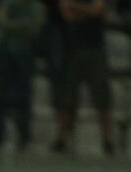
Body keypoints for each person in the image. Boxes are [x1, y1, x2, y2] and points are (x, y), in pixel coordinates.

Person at [52, 0, 113, 154]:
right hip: (72, 51)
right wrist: (87, 11)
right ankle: (62, 138)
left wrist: (77, 8)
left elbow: (97, 10)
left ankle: (107, 140)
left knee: (102, 98)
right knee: (67, 98)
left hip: (95, 50)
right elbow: (67, 15)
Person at [0, 0, 45, 150]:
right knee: (0, 97)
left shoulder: (37, 6)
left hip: (26, 56)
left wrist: (12, 25)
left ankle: (24, 136)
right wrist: (22, 24)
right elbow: (1, 21)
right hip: (5, 56)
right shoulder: (7, 3)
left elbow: (35, 28)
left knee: (25, 97)